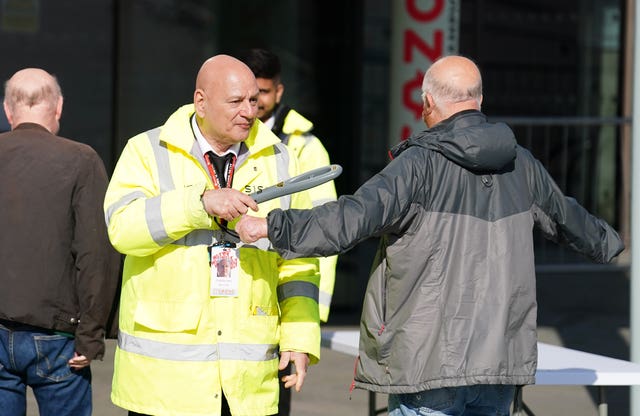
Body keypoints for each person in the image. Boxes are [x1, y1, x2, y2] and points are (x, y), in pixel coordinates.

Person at [236, 55, 625, 416]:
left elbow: (351, 219)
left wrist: (272, 226)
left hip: (428, 361)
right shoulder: (521, 164)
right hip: (497, 364)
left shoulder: (417, 165)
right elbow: (574, 221)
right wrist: (610, 243)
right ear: (479, 100)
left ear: (427, 102)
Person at [104, 54, 321, 416]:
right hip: (164, 385)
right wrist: (198, 204)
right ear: (200, 102)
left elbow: (298, 258)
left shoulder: (281, 158)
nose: (248, 111)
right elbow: (122, 229)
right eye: (235, 101)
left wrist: (299, 339)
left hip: (246, 384)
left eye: (253, 100)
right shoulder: (146, 150)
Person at [0, 68, 120, 415]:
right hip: (57, 337)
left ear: (9, 111)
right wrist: (92, 333)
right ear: (59, 108)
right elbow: (96, 255)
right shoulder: (81, 160)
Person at [238, 47, 338, 416]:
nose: (255, 102)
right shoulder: (227, 138)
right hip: (238, 297)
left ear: (278, 92)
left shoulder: (305, 147)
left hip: (284, 298)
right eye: (248, 94)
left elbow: (321, 227)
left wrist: (308, 314)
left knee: (275, 403)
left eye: (262, 93)